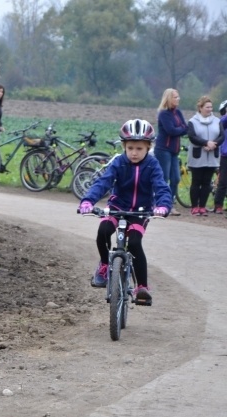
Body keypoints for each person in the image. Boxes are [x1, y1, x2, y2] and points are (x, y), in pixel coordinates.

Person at [79, 119, 172, 306]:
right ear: (124, 146)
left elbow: (161, 187)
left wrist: (163, 206)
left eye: (139, 148)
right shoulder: (119, 163)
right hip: (117, 206)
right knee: (103, 231)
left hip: (141, 211)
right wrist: (88, 201)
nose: (134, 153)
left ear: (148, 147)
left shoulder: (152, 165)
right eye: (130, 148)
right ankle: (105, 265)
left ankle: (141, 287)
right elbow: (103, 182)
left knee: (135, 243)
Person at [186, 96, 224, 215]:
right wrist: (205, 143)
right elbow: (192, 136)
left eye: (211, 107)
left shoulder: (217, 121)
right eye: (207, 107)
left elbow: (222, 136)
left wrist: (213, 144)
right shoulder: (193, 121)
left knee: (207, 183)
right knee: (196, 182)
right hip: (197, 156)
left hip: (212, 156)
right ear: (200, 108)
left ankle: (202, 206)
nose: (210, 109)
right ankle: (194, 207)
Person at [155, 88, 187, 216]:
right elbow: (171, 131)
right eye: (175, 97)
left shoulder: (178, 112)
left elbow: (186, 128)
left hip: (174, 150)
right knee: (164, 178)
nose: (178, 99)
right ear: (169, 98)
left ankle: (170, 203)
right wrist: (181, 129)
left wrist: (180, 128)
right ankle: (160, 203)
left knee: (176, 178)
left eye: (178, 96)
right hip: (163, 149)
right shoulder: (163, 114)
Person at [214, 99, 227, 215]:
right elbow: (221, 123)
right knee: (223, 181)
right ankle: (218, 205)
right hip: (225, 154)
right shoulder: (224, 120)